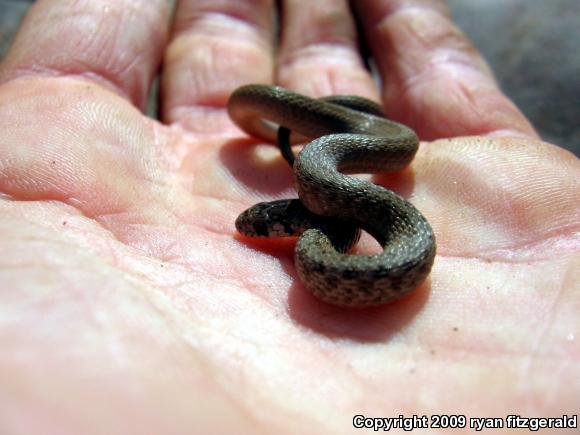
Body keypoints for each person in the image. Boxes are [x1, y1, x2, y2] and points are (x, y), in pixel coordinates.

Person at [0, 1, 578, 433]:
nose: (253, 232)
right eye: (257, 224)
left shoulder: (330, 215)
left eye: (261, 226)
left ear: (294, 223)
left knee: (363, 147)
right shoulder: (333, 222)